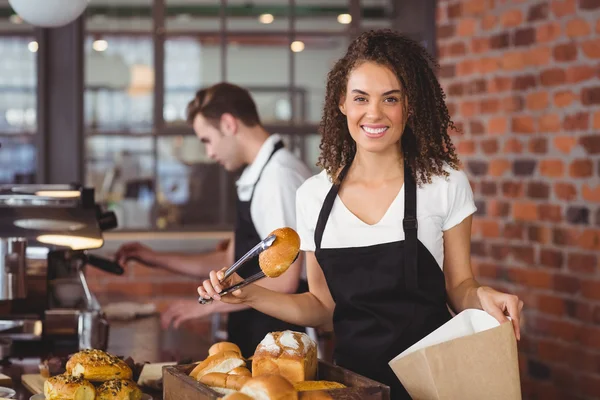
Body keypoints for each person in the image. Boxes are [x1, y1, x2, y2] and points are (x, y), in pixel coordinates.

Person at [197, 30, 524, 399]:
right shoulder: (313, 197)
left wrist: (483, 297)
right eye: (361, 98)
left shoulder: (444, 184)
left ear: (410, 105)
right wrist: (250, 295)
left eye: (390, 99)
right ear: (342, 103)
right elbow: (322, 307)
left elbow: (458, 286)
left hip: (435, 383)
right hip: (351, 387)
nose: (374, 113)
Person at [115, 82, 313, 357]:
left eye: (207, 140)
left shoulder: (278, 177)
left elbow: (285, 282)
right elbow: (229, 262)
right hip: (256, 332)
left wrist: (205, 305)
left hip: (282, 341)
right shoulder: (256, 175)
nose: (208, 152)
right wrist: (153, 258)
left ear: (229, 124)